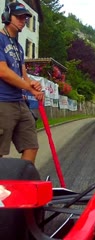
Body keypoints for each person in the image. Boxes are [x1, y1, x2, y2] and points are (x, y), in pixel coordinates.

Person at [0, 2, 44, 164]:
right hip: (2, 102)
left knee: (31, 145)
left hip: (19, 102)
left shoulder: (18, 47)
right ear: (6, 17)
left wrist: (33, 84)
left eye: (25, 17)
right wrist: (28, 88)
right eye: (19, 17)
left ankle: (21, 183)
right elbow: (3, 71)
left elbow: (23, 74)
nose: (23, 20)